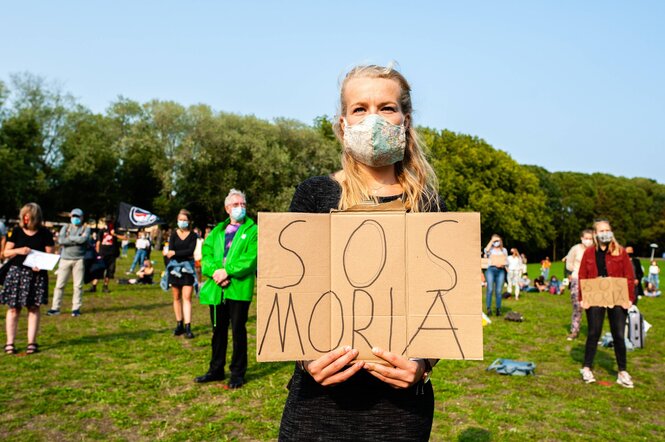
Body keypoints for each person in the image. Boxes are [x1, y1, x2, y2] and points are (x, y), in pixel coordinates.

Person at [278, 64, 444, 441]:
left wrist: (422, 365)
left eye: (386, 108)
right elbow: (292, 295)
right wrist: (306, 359)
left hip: (401, 414)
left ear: (405, 119)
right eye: (360, 108)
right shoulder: (315, 195)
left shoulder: (430, 206)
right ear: (342, 123)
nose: (373, 119)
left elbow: (444, 307)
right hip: (316, 406)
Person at [194, 189, 257, 389]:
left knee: (238, 330)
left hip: (238, 288)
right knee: (217, 330)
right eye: (236, 205)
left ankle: (238, 373)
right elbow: (207, 255)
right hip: (217, 289)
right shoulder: (217, 232)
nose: (240, 208)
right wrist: (216, 273)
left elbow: (250, 259)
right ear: (227, 208)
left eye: (243, 204)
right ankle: (216, 369)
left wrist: (227, 271)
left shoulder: (253, 230)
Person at [578, 219, 635, 388]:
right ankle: (587, 367)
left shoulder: (621, 252)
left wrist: (629, 298)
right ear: (595, 234)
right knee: (594, 332)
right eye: (601, 230)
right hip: (595, 292)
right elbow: (582, 275)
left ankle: (622, 371)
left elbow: (629, 276)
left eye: (608, 230)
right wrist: (583, 298)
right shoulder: (589, 253)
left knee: (618, 334)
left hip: (617, 293)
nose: (605, 233)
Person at [0, 203, 55, 354]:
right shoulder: (16, 232)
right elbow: (5, 253)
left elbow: (51, 255)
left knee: (33, 307)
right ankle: (9, 343)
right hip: (17, 273)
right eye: (24, 215)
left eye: (28, 215)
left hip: (36, 276)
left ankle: (32, 342)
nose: (25, 218)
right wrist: (19, 250)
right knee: (13, 309)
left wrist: (41, 265)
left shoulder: (45, 233)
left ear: (35, 217)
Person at [47, 208, 91, 317]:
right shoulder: (65, 227)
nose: (75, 219)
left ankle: (76, 308)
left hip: (79, 260)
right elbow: (61, 241)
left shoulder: (86, 228)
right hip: (64, 259)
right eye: (73, 216)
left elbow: (83, 240)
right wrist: (76, 239)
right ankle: (55, 308)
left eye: (77, 216)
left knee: (78, 286)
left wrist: (69, 239)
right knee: (59, 285)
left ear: (82, 217)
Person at [165, 209, 197, 339]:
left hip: (188, 269)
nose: (182, 222)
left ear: (189, 221)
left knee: (187, 297)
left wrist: (176, 253)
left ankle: (188, 326)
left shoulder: (193, 236)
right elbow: (170, 250)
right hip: (174, 269)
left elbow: (190, 251)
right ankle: (179, 324)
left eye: (185, 220)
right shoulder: (173, 234)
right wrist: (174, 253)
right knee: (176, 296)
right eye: (180, 220)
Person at [564, 229, 594, 340]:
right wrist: (573, 273)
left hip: (592, 281)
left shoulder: (595, 250)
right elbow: (569, 264)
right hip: (577, 279)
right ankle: (574, 331)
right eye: (586, 238)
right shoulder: (575, 249)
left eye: (591, 238)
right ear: (581, 238)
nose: (588, 241)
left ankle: (593, 333)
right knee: (577, 307)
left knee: (592, 308)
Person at [90, 217, 124, 293]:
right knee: (99, 270)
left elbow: (124, 238)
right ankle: (94, 286)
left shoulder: (115, 231)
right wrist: (97, 253)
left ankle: (105, 286)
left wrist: (114, 234)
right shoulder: (102, 231)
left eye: (110, 222)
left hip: (112, 254)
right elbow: (98, 242)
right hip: (103, 253)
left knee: (109, 271)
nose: (109, 224)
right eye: (107, 222)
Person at [484, 234, 508, 316]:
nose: (496, 242)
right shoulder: (490, 250)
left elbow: (506, 261)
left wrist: (503, 265)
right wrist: (492, 240)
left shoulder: (504, 250)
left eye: (497, 241)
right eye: (495, 241)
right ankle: (488, 308)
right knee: (490, 289)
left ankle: (498, 309)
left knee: (498, 291)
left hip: (501, 271)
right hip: (491, 270)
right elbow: (485, 251)